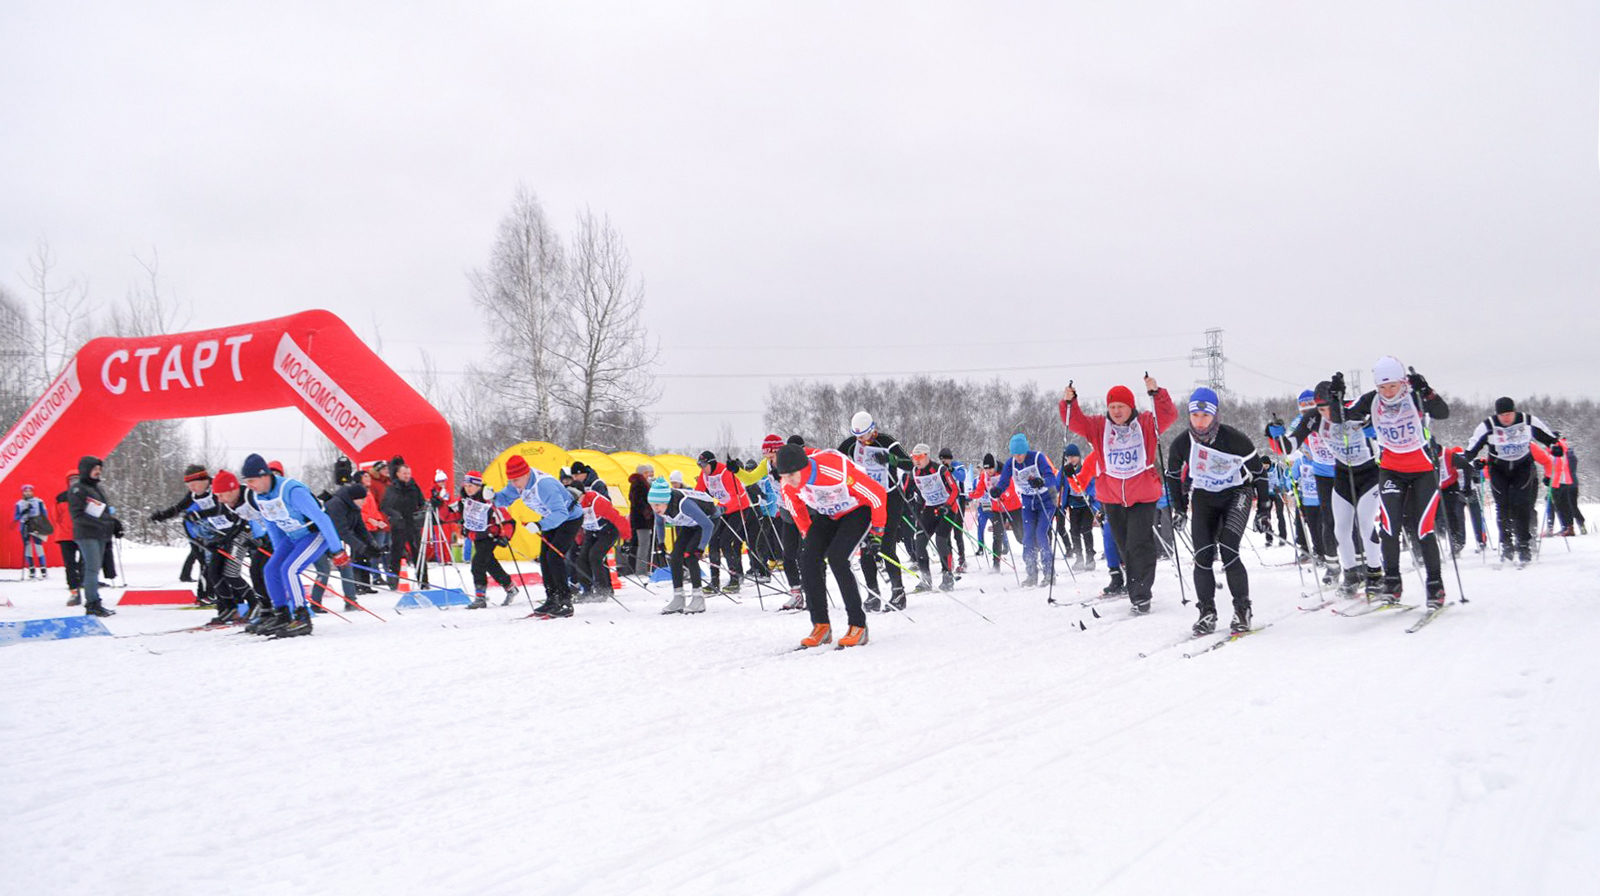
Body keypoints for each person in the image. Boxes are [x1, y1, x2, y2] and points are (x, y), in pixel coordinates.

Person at [1333, 357, 1451, 607]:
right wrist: (1336, 397)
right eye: (1382, 387)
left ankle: (1435, 585)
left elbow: (1443, 412)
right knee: (1389, 528)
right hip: (1391, 470)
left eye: (1392, 387)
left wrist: (1427, 392)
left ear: (1402, 382)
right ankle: (1393, 582)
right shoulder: (1371, 400)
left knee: (1423, 529)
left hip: (1423, 470)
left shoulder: (1415, 396)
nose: (1387, 392)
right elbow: (1341, 417)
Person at [1061, 375, 1178, 613]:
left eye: (1121, 407)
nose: (1116, 411)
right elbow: (1075, 422)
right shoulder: (1098, 426)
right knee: (1123, 544)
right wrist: (1069, 403)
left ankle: (1141, 594)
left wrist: (1157, 393)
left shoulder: (1145, 423)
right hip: (1112, 496)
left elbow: (1168, 415)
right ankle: (1132, 582)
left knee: (1139, 543)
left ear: (1130, 406)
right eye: (1112, 407)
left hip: (1143, 494)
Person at [1164, 388, 1269, 635]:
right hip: (1204, 497)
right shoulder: (1182, 443)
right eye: (1195, 415)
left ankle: (1242, 610)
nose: (1200, 422)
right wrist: (1179, 508)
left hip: (1236, 494)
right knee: (1202, 555)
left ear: (1215, 415)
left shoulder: (1235, 439)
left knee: (1229, 548)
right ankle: (1207, 613)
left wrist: (1264, 509)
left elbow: (1259, 474)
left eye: (1205, 415)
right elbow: (1171, 475)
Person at [773, 443, 885, 650]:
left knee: (837, 559)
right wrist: (808, 536)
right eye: (784, 476)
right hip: (828, 514)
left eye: (791, 475)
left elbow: (876, 494)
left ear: (803, 468)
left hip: (856, 510)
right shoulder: (787, 483)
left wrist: (877, 531)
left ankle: (858, 625)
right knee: (807, 559)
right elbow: (797, 509)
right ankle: (821, 625)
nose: (788, 481)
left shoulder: (833, 468)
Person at [1289, 380, 1383, 596]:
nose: (1325, 413)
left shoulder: (1352, 409)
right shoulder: (1311, 418)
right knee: (1338, 526)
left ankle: (1374, 573)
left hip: (1365, 473)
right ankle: (1348, 574)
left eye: (1328, 408)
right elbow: (1291, 442)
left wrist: (1374, 434)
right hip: (1335, 473)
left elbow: (1379, 405)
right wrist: (1276, 437)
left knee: (1365, 521)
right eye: (1319, 408)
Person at [239, 453, 348, 636]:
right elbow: (273, 525)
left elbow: (322, 519)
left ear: (264, 475)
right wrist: (278, 552)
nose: (249, 486)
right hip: (292, 537)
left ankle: (301, 616)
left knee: (289, 570)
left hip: (314, 534)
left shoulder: (292, 491)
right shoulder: (260, 497)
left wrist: (337, 550)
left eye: (252, 480)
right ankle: (281, 614)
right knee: (271, 568)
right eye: (247, 481)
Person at [837, 411, 915, 611]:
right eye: (858, 437)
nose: (862, 441)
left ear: (873, 430)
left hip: (890, 497)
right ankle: (873, 595)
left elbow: (909, 464)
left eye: (864, 436)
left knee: (885, 547)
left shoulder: (886, 441)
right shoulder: (850, 445)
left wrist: (891, 459)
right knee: (866, 549)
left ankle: (898, 593)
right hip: (865, 500)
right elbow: (835, 460)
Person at [494, 454, 583, 618]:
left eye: (516, 480)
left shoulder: (544, 485)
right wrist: (491, 497)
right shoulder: (517, 482)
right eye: (511, 481)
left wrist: (541, 525)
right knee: (544, 557)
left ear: (526, 473)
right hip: (550, 518)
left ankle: (565, 601)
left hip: (569, 518)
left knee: (554, 557)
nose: (514, 485)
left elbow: (561, 513)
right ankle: (552, 599)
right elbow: (504, 499)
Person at [179, 469, 256, 625]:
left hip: (244, 535)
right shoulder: (219, 497)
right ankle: (229, 608)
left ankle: (255, 604)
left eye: (221, 495)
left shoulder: (245, 495)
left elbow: (232, 516)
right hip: (226, 534)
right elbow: (222, 512)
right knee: (213, 571)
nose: (219, 499)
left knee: (231, 573)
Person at [989, 433, 1060, 588]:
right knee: (1027, 538)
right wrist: (997, 491)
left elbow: (1051, 477)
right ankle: (1031, 574)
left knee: (1041, 534)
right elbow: (1003, 482)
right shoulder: (1011, 463)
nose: (1018, 457)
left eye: (1020, 454)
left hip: (1045, 501)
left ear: (1026, 450)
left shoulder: (1037, 458)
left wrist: (1041, 481)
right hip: (1028, 502)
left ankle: (1049, 574)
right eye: (1015, 454)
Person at [447, 471, 518, 609]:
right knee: (490, 564)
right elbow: (448, 515)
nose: (468, 488)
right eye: (466, 485)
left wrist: (505, 536)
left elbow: (508, 520)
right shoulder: (463, 501)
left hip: (490, 537)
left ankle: (480, 598)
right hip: (476, 537)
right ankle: (510, 587)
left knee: (477, 564)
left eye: (472, 485)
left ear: (479, 486)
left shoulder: (488, 500)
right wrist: (438, 502)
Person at [650, 476, 716, 613]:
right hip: (690, 524)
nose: (655, 508)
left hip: (708, 521)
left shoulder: (684, 504)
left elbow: (708, 525)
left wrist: (701, 548)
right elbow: (659, 524)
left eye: (657, 505)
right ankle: (678, 598)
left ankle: (699, 599)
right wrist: (661, 542)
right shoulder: (658, 507)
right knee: (675, 558)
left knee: (690, 556)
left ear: (666, 501)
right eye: (652, 504)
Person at [150, 465, 216, 600]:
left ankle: (218, 594)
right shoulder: (193, 494)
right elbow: (178, 508)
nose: (191, 488)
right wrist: (162, 515)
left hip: (221, 532)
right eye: (188, 485)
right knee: (205, 563)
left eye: (194, 484)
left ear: (205, 480)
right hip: (197, 533)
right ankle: (206, 595)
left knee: (216, 564)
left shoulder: (217, 489)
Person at [695, 450, 756, 594]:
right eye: (700, 466)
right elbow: (699, 493)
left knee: (725, 541)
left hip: (739, 508)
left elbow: (736, 497)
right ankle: (714, 581)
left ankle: (735, 579)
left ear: (711, 463)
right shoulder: (704, 475)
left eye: (704, 465)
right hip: (722, 510)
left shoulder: (726, 473)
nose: (702, 469)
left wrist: (720, 508)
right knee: (713, 541)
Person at [66, 456, 121, 618]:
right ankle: (92, 603)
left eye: (99, 469)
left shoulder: (97, 488)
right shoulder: (78, 489)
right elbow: (77, 514)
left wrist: (113, 523)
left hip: (100, 534)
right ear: (86, 470)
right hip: (87, 533)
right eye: (95, 469)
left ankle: (95, 600)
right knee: (91, 568)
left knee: (95, 568)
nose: (98, 472)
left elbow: (102, 511)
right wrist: (102, 523)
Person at [907, 444, 961, 593]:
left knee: (941, 541)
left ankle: (947, 576)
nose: (917, 461)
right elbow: (914, 492)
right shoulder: (914, 472)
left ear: (927, 456)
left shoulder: (939, 470)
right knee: (919, 542)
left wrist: (947, 505)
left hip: (947, 508)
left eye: (920, 457)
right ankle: (926, 580)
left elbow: (955, 490)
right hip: (930, 508)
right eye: (914, 458)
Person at [325, 478, 381, 612]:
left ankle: (351, 602)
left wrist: (372, 545)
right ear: (353, 498)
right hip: (321, 539)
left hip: (334, 540)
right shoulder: (336, 505)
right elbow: (342, 531)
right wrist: (363, 548)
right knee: (323, 569)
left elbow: (360, 528)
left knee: (345, 567)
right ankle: (314, 604)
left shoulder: (353, 506)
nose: (364, 502)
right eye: (361, 499)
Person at [575, 484, 631, 600]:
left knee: (595, 556)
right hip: (591, 532)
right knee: (581, 559)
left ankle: (603, 590)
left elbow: (618, 519)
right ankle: (587, 590)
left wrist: (627, 539)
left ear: (583, 494)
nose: (575, 499)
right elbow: (575, 525)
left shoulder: (597, 502)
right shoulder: (572, 505)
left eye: (577, 496)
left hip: (608, 531)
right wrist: (579, 542)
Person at [381, 457, 427, 589]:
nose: (407, 476)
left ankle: (423, 581)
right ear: (398, 474)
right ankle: (394, 581)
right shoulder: (392, 488)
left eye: (408, 474)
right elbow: (385, 506)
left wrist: (422, 511)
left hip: (413, 523)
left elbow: (421, 502)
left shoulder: (414, 486)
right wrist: (396, 515)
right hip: (399, 525)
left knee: (418, 552)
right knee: (396, 552)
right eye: (404, 473)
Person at [1059, 445, 1097, 570]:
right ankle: (1079, 558)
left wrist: (1090, 494)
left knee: (1086, 529)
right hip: (1073, 504)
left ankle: (1090, 557)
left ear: (1079, 457)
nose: (1072, 459)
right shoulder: (1065, 470)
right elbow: (1057, 481)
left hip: (1085, 503)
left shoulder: (1085, 467)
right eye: (1069, 457)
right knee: (1074, 531)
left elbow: (1092, 484)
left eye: (1074, 456)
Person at [54, 472, 82, 604]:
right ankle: (74, 591)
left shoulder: (87, 495)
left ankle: (83, 589)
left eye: (76, 479)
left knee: (83, 563)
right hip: (66, 535)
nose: (74, 482)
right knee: (70, 565)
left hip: (82, 533)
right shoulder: (61, 498)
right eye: (72, 479)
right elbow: (55, 517)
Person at [13, 484, 51, 579]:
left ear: (32, 492)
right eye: (25, 491)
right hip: (25, 527)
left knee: (38, 547)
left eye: (29, 491)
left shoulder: (39, 501)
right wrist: (23, 513)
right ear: (23, 492)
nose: (28, 493)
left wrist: (43, 525)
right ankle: (31, 569)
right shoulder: (19, 503)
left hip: (36, 526)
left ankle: (43, 569)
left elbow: (44, 514)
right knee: (28, 548)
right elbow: (16, 517)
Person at [625, 464, 656, 575]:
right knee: (644, 544)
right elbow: (638, 502)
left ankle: (639, 568)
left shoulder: (638, 483)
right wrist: (647, 512)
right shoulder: (639, 484)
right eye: (647, 472)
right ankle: (641, 570)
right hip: (642, 520)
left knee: (641, 544)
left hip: (639, 519)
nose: (649, 475)